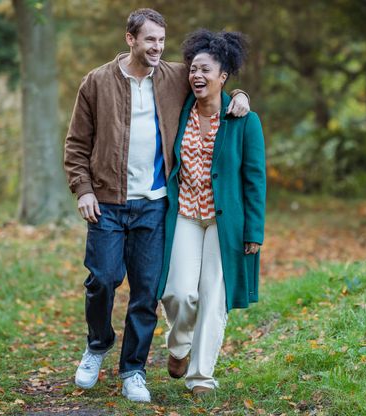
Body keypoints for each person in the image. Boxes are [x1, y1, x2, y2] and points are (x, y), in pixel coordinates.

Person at [63, 9, 250, 403]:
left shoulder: (173, 76)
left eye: (162, 41)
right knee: (103, 279)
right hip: (108, 203)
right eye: (150, 40)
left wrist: (242, 98)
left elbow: (215, 81)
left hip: (154, 206)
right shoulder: (96, 83)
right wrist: (83, 189)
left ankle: (133, 368)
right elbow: (77, 144)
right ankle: (98, 344)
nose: (157, 48)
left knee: (147, 292)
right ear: (130, 39)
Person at [156, 29, 266, 396]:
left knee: (213, 296)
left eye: (206, 70)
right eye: (193, 69)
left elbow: (255, 179)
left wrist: (254, 232)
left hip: (225, 222)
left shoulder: (244, 120)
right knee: (179, 293)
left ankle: (201, 376)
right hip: (185, 212)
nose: (197, 76)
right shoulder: (179, 106)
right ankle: (179, 346)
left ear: (224, 76)